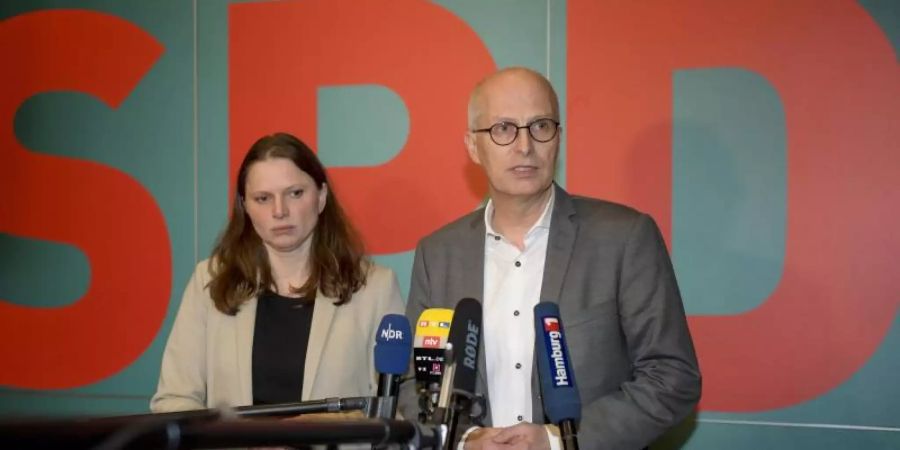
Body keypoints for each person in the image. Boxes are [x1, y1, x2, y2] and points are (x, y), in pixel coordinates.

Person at [399, 68, 701, 449]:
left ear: (558, 138)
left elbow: (672, 376)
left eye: (540, 126)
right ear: (473, 147)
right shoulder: (438, 253)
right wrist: (465, 441)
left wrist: (558, 441)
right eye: (503, 129)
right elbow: (414, 381)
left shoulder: (623, 237)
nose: (525, 146)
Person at [152, 132, 404, 412]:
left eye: (295, 193)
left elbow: (392, 412)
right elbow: (174, 400)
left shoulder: (374, 288)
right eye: (262, 198)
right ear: (244, 206)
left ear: (321, 197)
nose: (280, 211)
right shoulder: (210, 281)